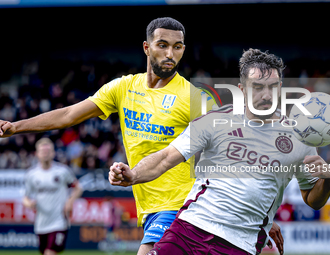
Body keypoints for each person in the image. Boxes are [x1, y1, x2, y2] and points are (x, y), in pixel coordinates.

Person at [0, 18, 281, 254]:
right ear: (147, 48)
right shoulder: (123, 88)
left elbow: (231, 146)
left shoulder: (194, 98)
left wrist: (258, 211)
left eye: (178, 46)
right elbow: (69, 115)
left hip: (182, 205)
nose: (170, 53)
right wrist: (16, 126)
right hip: (150, 207)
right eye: (162, 45)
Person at [108, 48, 330, 255]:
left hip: (240, 244)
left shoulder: (300, 138)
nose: (266, 94)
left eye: (272, 87)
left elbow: (312, 199)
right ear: (242, 89)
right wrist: (134, 175)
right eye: (258, 87)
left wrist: (327, 179)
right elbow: (167, 157)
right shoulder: (215, 121)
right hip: (189, 229)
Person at [23, 138, 83, 255]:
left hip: (59, 221)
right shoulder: (32, 175)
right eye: (42, 151)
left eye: (48, 151)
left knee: (49, 253)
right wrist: (29, 203)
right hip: (41, 223)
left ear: (53, 153)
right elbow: (25, 197)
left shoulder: (62, 171)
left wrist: (70, 201)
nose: (45, 154)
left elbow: (78, 188)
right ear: (37, 154)